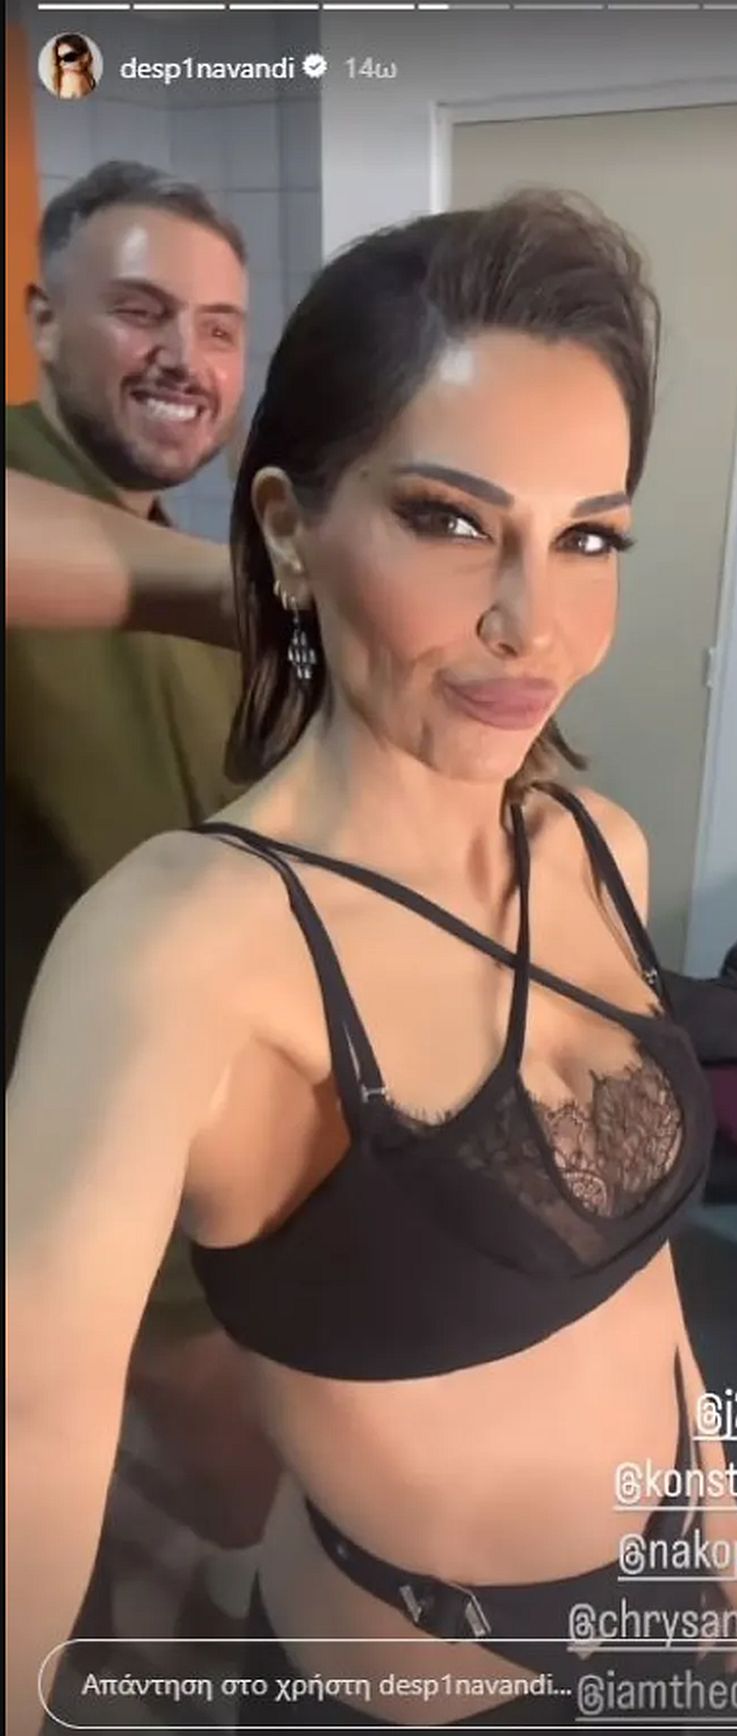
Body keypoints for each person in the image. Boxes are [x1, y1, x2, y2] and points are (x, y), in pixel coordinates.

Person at [8, 189, 737, 1733]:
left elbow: (633, 1265)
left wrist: (717, 1502)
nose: (532, 622)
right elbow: (29, 1433)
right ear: (290, 524)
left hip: (665, 1598)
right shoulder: (188, 945)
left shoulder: (594, 846)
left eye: (587, 538)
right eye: (450, 521)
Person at [5, 160, 277, 1684]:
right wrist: (250, 588)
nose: (188, 358)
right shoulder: (171, 567)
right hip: (56, 1175)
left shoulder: (197, 549)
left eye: (221, 328)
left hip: (200, 1168)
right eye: (142, 312)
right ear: (44, 323)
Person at [46, 33, 98, 100]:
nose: (62, 64)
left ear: (85, 56)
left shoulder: (76, 77)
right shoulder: (74, 77)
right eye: (59, 59)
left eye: (69, 57)